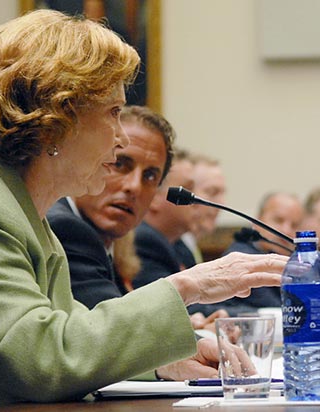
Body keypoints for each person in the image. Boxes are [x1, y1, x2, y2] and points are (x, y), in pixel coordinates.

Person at [0, 11, 287, 410]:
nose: (121, 135)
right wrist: (186, 287)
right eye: (112, 113)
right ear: (57, 118)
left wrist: (171, 359)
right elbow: (42, 360)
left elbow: (73, 333)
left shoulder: (19, 209)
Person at [47, 105, 225, 330]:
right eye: (120, 163)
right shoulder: (67, 228)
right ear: (91, 159)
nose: (134, 187)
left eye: (150, 176)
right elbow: (115, 332)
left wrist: (186, 328)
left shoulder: (112, 245)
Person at [189, 192, 303, 316]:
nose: (286, 230)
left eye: (294, 225)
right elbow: (276, 307)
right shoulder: (243, 256)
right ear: (257, 221)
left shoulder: (296, 261)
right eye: (278, 220)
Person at [132, 150, 198, 288]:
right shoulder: (144, 241)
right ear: (155, 197)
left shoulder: (180, 246)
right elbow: (179, 301)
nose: (197, 200)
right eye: (188, 189)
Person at [175, 154, 227, 267]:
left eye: (222, 194)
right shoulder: (169, 246)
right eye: (212, 192)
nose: (221, 203)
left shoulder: (191, 246)